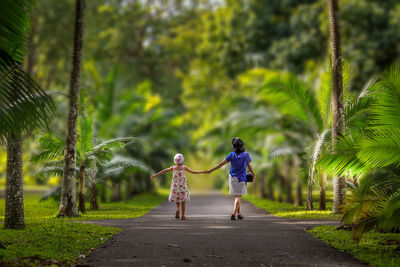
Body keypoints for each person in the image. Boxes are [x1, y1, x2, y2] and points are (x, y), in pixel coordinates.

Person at [206, 137, 256, 220]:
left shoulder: (231, 155)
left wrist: (211, 170)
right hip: (242, 179)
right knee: (238, 197)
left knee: (237, 196)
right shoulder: (246, 155)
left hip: (233, 178)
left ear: (234, 147)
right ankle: (233, 213)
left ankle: (239, 214)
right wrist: (254, 174)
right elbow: (250, 166)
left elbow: (221, 164)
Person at [151, 153, 204, 220]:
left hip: (175, 186)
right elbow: (193, 172)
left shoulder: (173, 168)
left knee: (177, 200)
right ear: (183, 160)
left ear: (175, 160)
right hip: (182, 187)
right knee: (183, 201)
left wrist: (155, 175)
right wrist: (202, 172)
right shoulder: (184, 168)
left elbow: (163, 171)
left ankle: (177, 209)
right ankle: (183, 216)